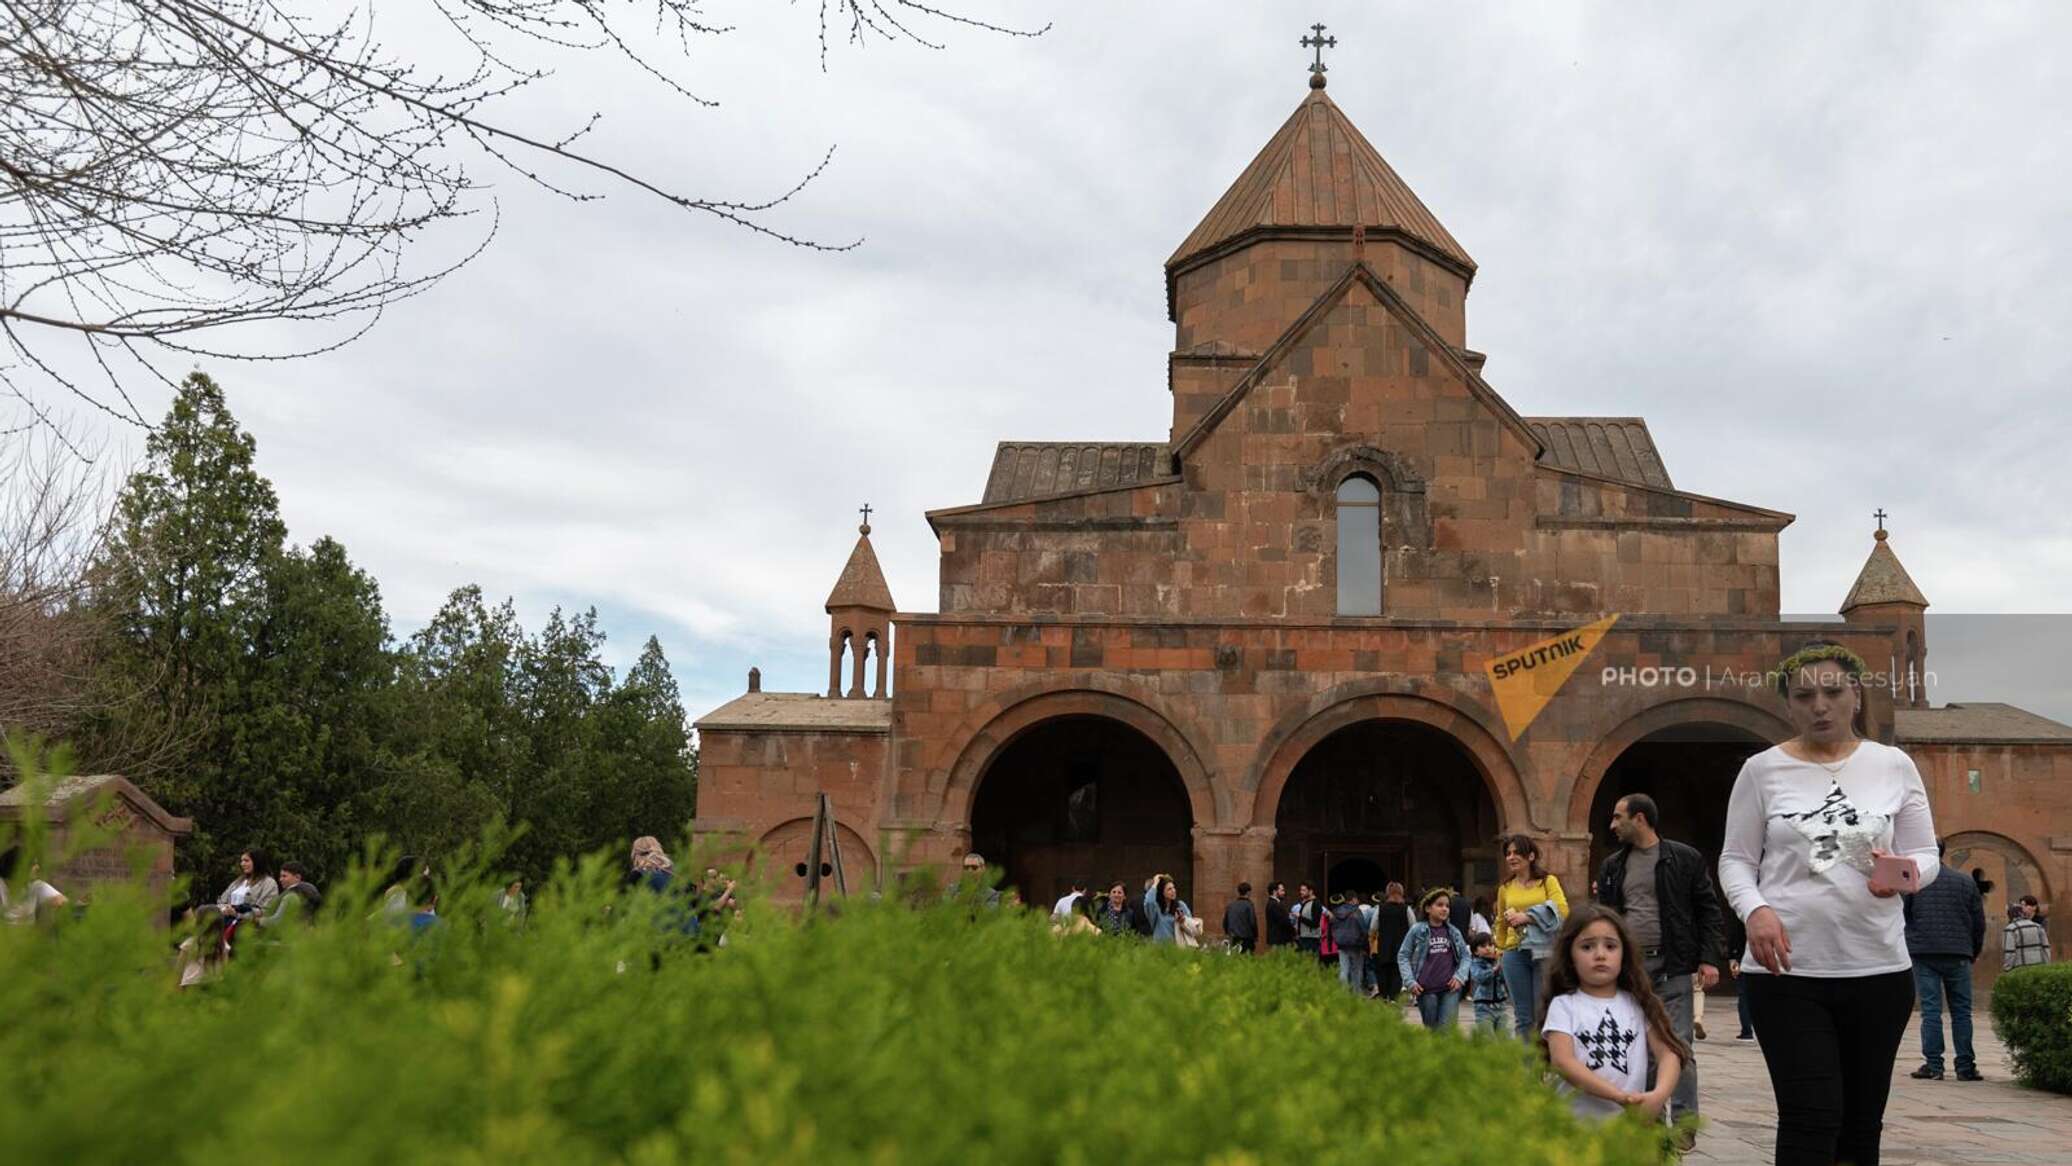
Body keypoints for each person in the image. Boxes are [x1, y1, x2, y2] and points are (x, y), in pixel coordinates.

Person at [1719, 641, 1940, 1166]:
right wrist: (1756, 910)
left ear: (1856, 696)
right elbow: (1734, 859)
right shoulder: (1761, 770)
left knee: (1861, 1126)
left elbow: (1927, 852)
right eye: (1804, 695)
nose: (1819, 705)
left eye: (1832, 692)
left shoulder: (1894, 765)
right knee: (1810, 1119)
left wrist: (1905, 877)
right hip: (1787, 974)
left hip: (1878, 970)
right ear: (1788, 705)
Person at [1595, 791, 1726, 1126]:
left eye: (1617, 817)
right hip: (1631, 969)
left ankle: (1685, 1123)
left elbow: (1708, 910)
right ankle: (1652, 1122)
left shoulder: (1684, 858)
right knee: (1640, 1048)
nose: (1612, 825)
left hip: (1673, 966)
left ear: (1640, 819)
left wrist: (1709, 959)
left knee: (1677, 1043)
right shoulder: (1613, 865)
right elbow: (1606, 918)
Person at [1539, 903, 1688, 1125]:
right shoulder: (1564, 1006)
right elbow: (1563, 1061)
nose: (1600, 955)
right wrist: (1620, 1097)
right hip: (1573, 1127)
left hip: (1624, 1129)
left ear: (1624, 954)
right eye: (1587, 947)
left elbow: (1669, 1053)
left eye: (1610, 946)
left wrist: (1658, 1096)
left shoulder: (1638, 1004)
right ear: (1570, 956)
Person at [1903, 840, 1986, 1080]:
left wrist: (1912, 943)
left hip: (1924, 953)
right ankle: (1965, 1066)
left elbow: (1905, 916)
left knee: (1931, 1010)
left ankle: (1934, 1065)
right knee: (1962, 1011)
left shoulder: (1915, 882)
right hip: (1958, 953)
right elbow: (1978, 922)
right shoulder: (1965, 881)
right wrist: (1974, 951)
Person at [1494, 834, 1568, 1038]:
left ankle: (1544, 1062)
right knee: (1522, 1016)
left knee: (1542, 1012)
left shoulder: (1547, 882)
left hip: (1543, 951)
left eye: (1517, 852)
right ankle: (1527, 1068)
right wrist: (1500, 949)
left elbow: (1562, 911)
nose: (1511, 857)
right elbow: (1501, 921)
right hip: (1514, 953)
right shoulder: (1505, 888)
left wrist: (1527, 917)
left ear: (1531, 855)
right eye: (1508, 853)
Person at [1398, 887, 1468, 1030]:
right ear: (1428, 908)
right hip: (1426, 990)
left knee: (1446, 1031)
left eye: (1447, 906)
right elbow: (1403, 955)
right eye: (1440, 905)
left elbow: (1465, 956)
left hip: (1450, 989)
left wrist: (1460, 976)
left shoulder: (1453, 932)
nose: (1444, 909)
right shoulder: (1417, 930)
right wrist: (1410, 981)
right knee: (1433, 1031)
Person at [0, 847, 67, 924]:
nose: (37, 867)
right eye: (33, 864)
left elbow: (64, 903)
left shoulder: (36, 886)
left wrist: (55, 903)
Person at [1371, 882, 1414, 1001]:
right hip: (1402, 944)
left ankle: (1384, 995)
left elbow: (1373, 927)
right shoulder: (1407, 909)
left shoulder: (1380, 908)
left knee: (1383, 970)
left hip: (1384, 944)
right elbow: (1413, 927)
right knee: (1397, 971)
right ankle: (1394, 997)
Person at [252, 861, 322, 930]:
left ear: (297, 877)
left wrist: (257, 920)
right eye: (280, 876)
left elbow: (277, 922)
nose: (280, 879)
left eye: (284, 876)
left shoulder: (290, 896)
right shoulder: (311, 892)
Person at [216, 848, 280, 919]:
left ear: (257, 862)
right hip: (227, 921)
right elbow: (221, 901)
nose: (242, 864)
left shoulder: (269, 883)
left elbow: (266, 911)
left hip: (250, 926)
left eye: (246, 861)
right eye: (242, 861)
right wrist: (225, 908)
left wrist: (237, 913)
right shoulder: (239, 881)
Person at [1467, 932, 1508, 1032]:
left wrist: (1502, 964)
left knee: (1505, 1038)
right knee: (1488, 1038)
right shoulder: (1475, 964)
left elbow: (1505, 979)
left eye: (1490, 945)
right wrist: (1494, 970)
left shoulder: (1498, 961)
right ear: (1476, 952)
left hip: (1501, 1007)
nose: (1488, 948)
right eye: (1483, 946)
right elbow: (1480, 977)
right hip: (1483, 1007)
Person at [1329, 890, 1369, 990]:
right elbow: (1363, 928)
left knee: (1343, 970)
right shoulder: (1356, 911)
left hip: (1341, 944)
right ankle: (1356, 993)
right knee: (1356, 970)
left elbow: (1332, 927)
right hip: (1356, 945)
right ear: (1354, 899)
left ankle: (1343, 993)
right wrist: (1365, 945)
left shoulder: (1337, 911)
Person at [2003, 894, 2052, 970]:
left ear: (2034, 907)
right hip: (2027, 962)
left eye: (2025, 905)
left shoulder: (2040, 924)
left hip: (2030, 962)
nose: (2023, 907)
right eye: (2021, 905)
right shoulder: (2036, 926)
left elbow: (2045, 945)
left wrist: (2007, 968)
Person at [1144, 875, 1193, 946]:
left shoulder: (1181, 905)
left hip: (1179, 949)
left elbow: (1191, 924)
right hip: (1160, 950)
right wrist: (1155, 883)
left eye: (1174, 888)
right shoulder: (1156, 909)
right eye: (1169, 889)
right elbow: (1149, 902)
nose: (1173, 891)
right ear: (1162, 892)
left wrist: (1183, 920)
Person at [1222, 881, 1259, 953]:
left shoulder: (1231, 905)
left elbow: (1225, 922)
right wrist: (1255, 936)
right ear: (1248, 892)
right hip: (1246, 938)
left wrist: (1228, 933)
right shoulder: (1249, 905)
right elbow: (1252, 922)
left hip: (1233, 938)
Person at [1291, 881, 1324, 959]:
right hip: (1303, 938)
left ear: (1311, 891)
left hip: (1311, 940)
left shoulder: (1316, 903)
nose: (1301, 892)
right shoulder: (1306, 903)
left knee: (1311, 963)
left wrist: (1300, 917)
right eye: (1300, 890)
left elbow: (1315, 923)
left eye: (1304, 890)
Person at [1264, 881, 1295, 950]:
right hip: (1279, 940)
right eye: (1282, 890)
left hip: (1278, 940)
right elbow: (1284, 922)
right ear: (1275, 891)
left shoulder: (1274, 903)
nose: (1284, 893)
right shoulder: (1274, 904)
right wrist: (1294, 931)